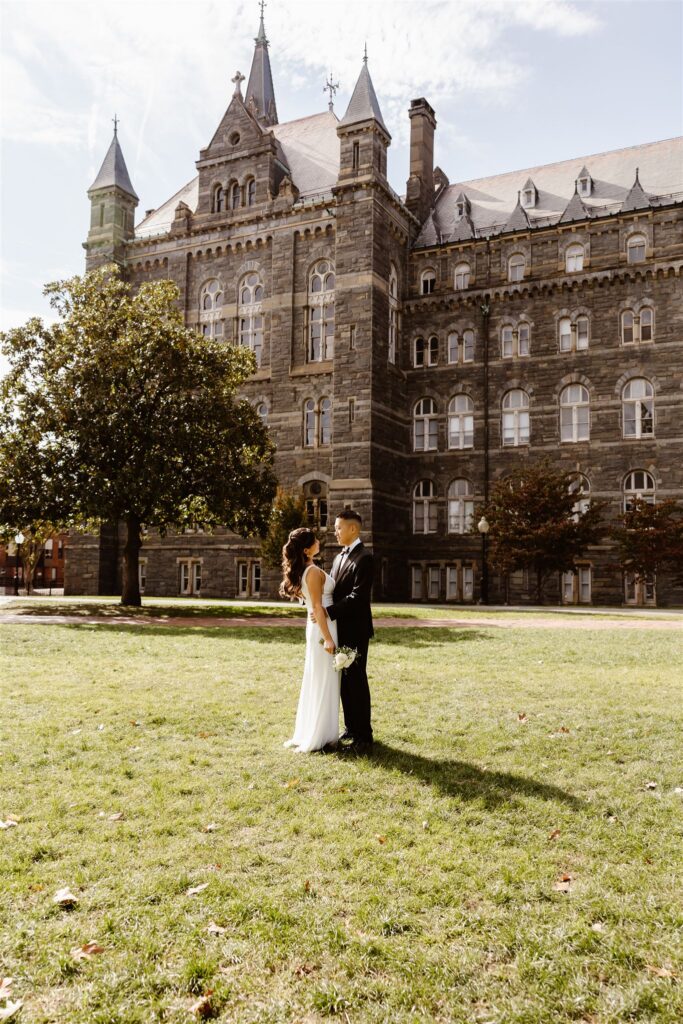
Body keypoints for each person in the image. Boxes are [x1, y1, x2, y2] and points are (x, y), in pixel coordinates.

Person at [316, 509, 374, 753]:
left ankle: (364, 736)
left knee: (356, 681)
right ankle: (351, 727)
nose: (335, 532)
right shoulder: (339, 557)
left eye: (339, 528)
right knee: (344, 682)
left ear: (353, 529)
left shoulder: (365, 558)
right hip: (341, 628)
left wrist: (328, 612)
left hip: (356, 629)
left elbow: (358, 597)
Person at [281, 528, 340, 752]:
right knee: (323, 680)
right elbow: (316, 605)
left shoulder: (306, 570)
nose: (319, 541)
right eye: (314, 540)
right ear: (307, 550)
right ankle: (319, 734)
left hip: (317, 624)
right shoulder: (313, 572)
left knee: (320, 678)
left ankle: (320, 730)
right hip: (323, 627)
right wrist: (327, 639)